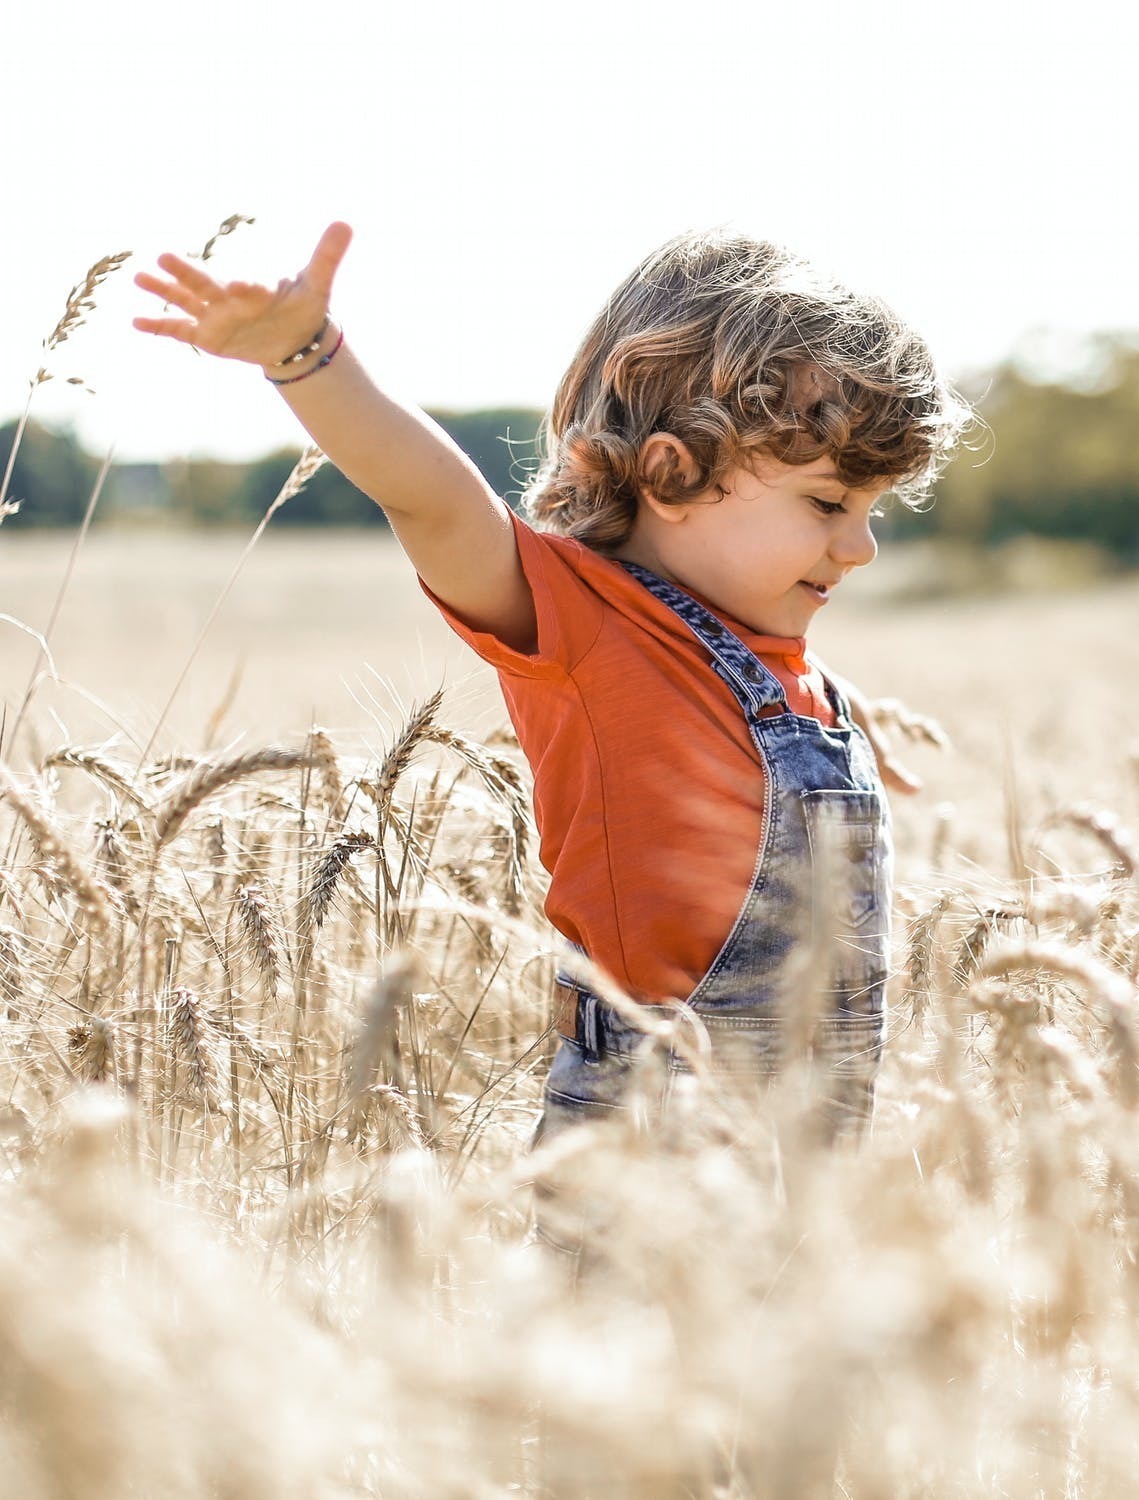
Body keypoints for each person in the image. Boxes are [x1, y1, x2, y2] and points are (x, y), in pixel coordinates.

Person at [130, 221, 973, 1207]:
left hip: (812, 1141)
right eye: (830, 504)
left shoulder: (781, 660)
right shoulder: (583, 627)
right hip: (648, 1133)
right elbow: (435, 503)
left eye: (873, 510)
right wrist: (305, 357)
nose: (862, 546)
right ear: (669, 474)